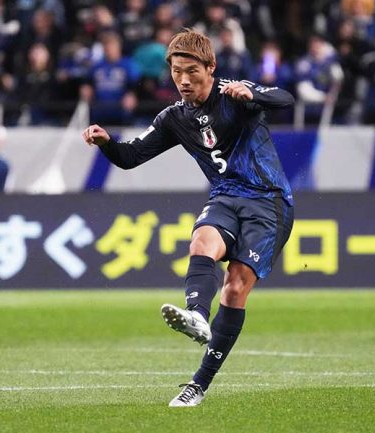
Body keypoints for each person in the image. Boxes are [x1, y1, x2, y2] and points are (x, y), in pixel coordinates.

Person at [82, 29, 294, 407]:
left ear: (211, 67)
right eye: (176, 72)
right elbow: (130, 157)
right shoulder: (174, 117)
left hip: (268, 202)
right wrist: (107, 143)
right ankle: (196, 315)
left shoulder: (233, 92)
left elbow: (285, 98)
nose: (183, 80)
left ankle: (199, 383)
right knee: (202, 241)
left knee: (235, 287)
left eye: (191, 71)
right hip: (225, 197)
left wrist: (254, 95)